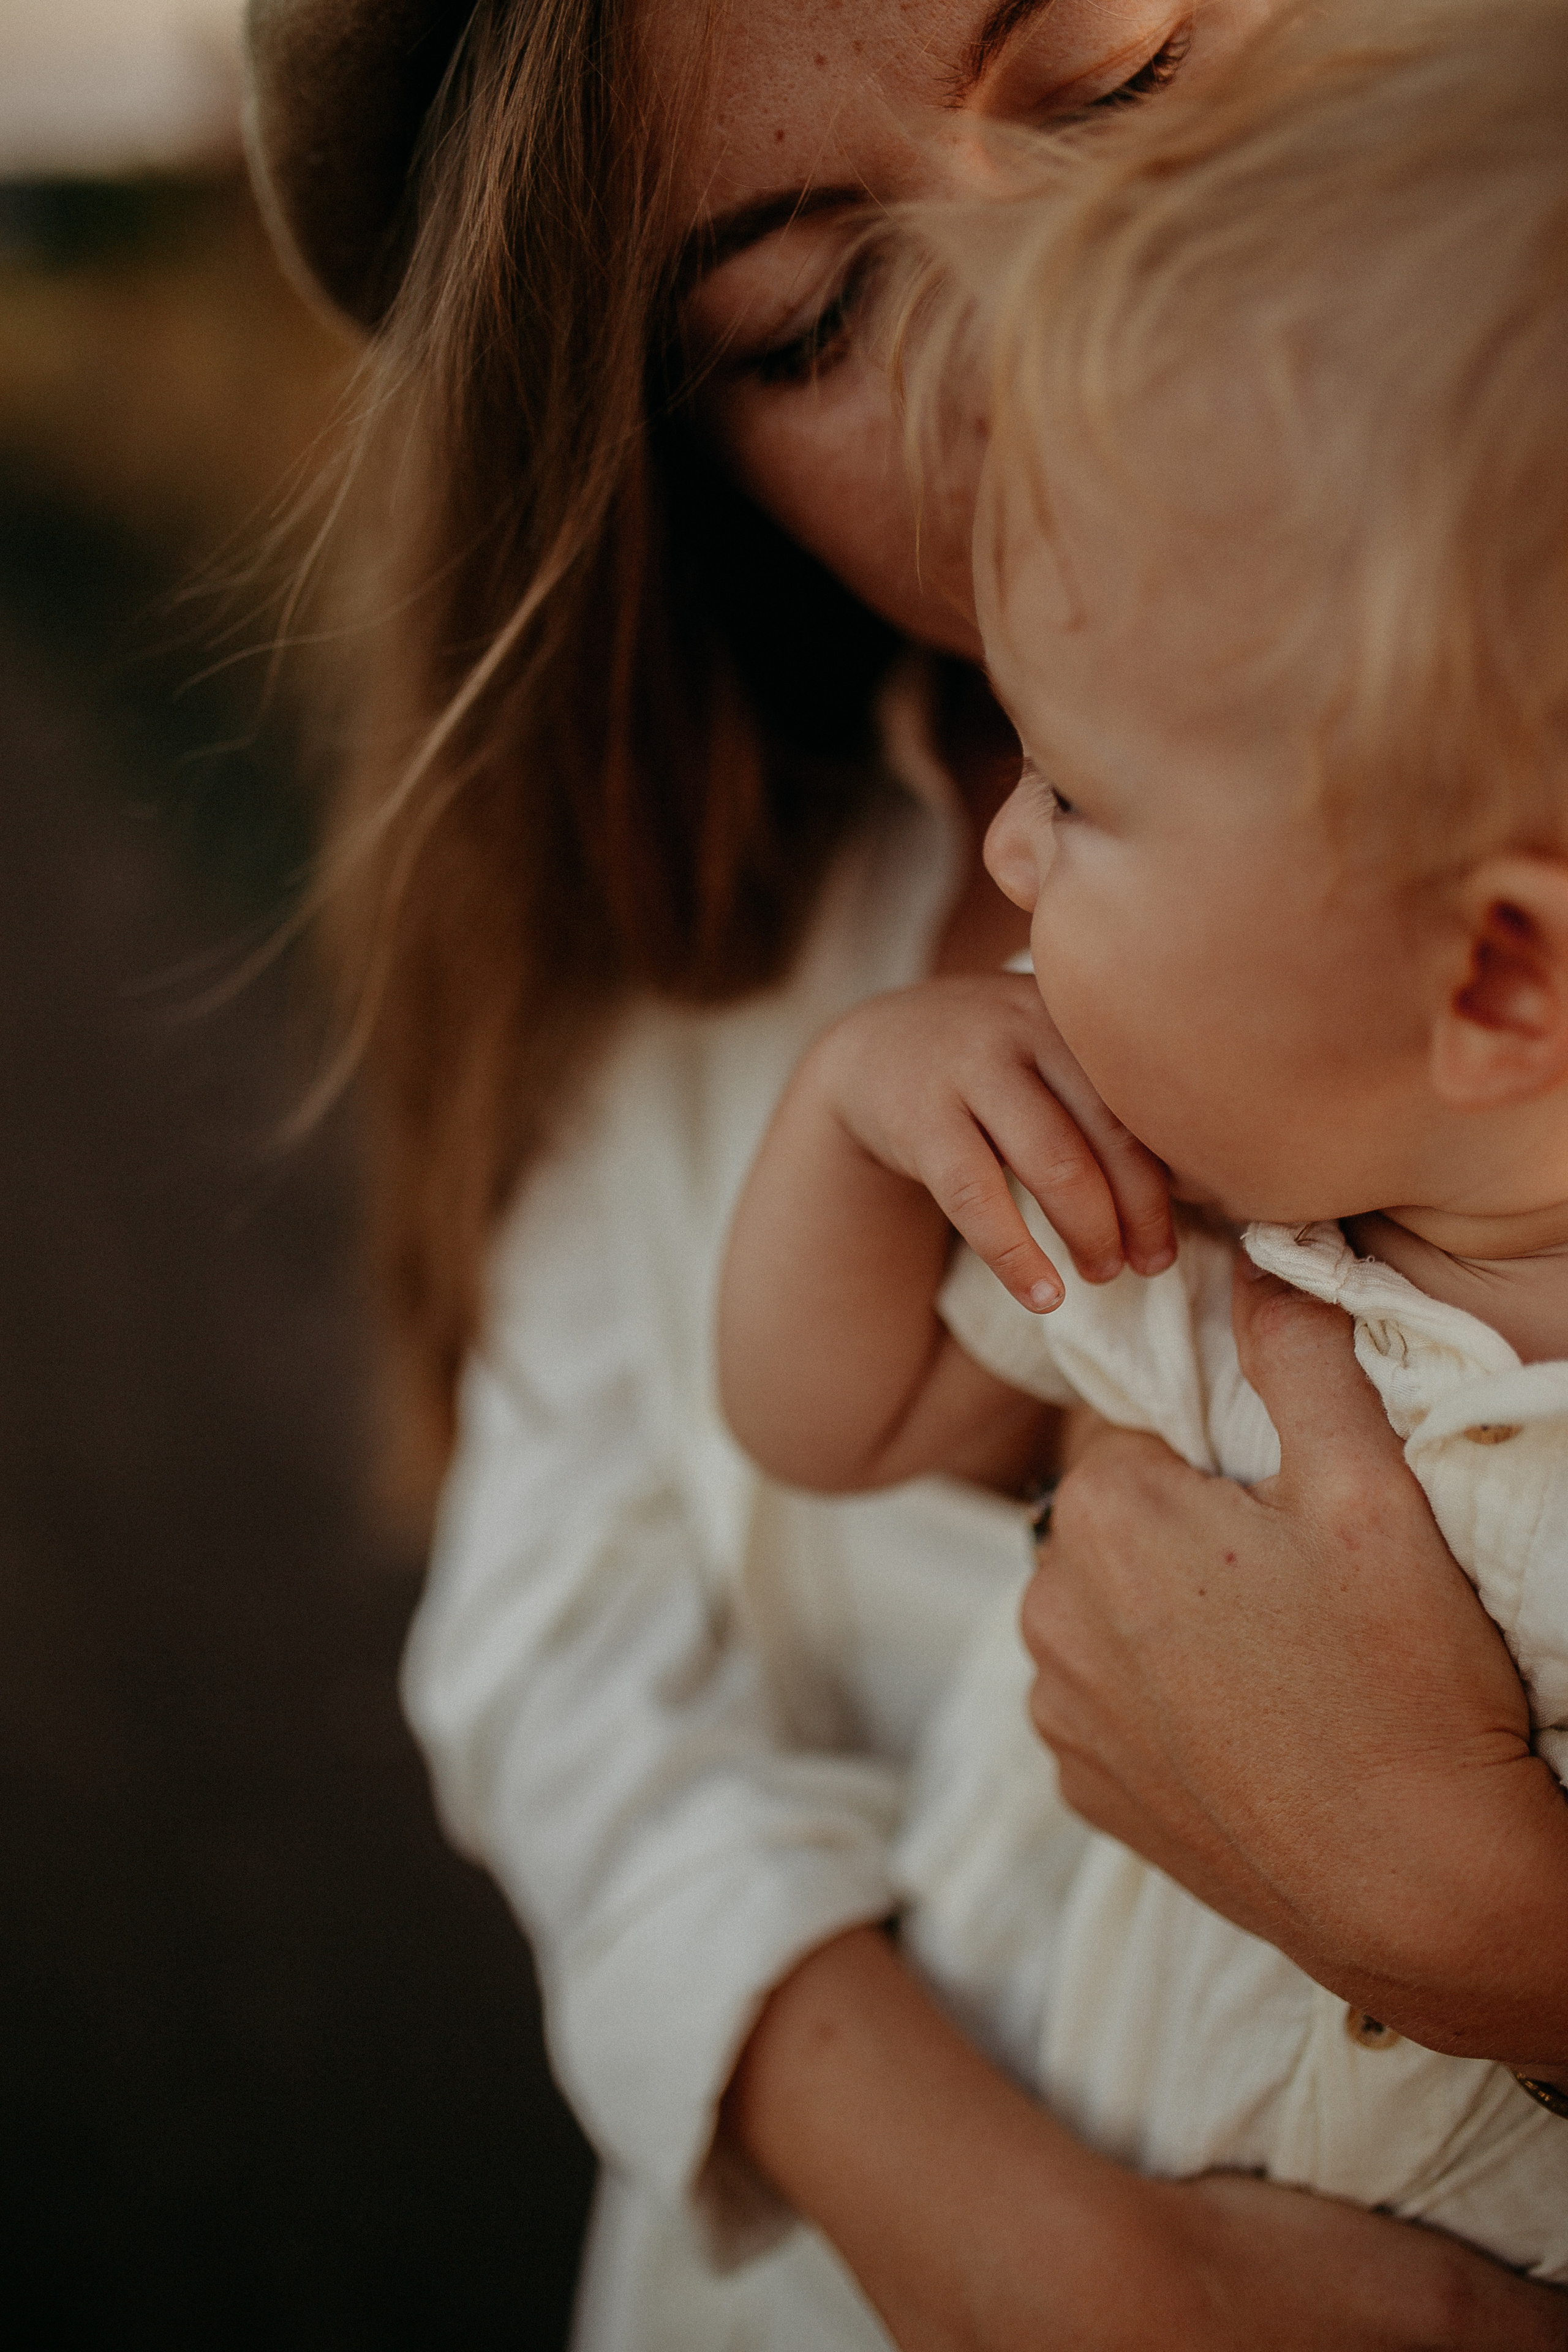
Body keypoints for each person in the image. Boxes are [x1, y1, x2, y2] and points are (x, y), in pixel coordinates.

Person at [243, 1, 1568, 2343]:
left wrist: (1502, 1944)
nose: (1035, 317)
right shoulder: (722, 925)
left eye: (1126, 66)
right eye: (813, 317)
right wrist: (1029, 2251)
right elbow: (564, 1645)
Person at [718, 0, 1568, 2280]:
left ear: (1502, 983)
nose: (1007, 848)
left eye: (1080, 801)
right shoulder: (1204, 1204)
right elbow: (823, 1418)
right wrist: (846, 1113)